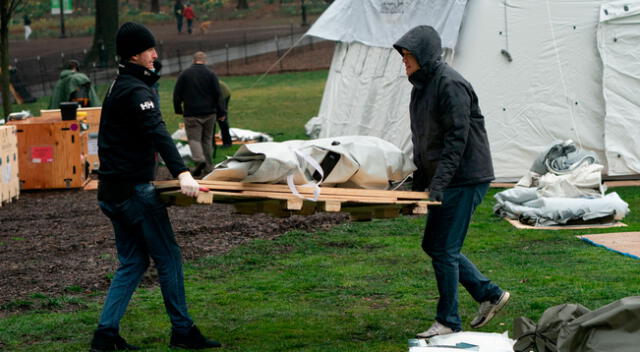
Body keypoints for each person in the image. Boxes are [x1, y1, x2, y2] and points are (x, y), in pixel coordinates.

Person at [90, 22, 221, 351]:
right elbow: (157, 132)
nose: (156, 54)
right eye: (150, 50)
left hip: (111, 192)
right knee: (169, 258)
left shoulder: (122, 83)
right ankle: (183, 331)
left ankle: (105, 335)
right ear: (135, 54)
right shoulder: (135, 90)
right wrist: (182, 173)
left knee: (134, 262)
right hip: (133, 192)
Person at [393, 25, 510, 338]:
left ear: (425, 54)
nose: (404, 61)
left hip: (465, 177)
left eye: (408, 56)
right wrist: (418, 189)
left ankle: (448, 321)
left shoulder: (451, 84)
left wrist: (439, 185)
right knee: (435, 245)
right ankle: (489, 294)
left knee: (444, 249)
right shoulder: (420, 88)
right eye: (403, 56)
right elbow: (423, 143)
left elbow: (457, 140)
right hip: (447, 178)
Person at [173, 51, 226, 177]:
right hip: (210, 113)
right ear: (205, 60)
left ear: (193, 60)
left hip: (191, 113)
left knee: (194, 139)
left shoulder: (185, 74)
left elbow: (177, 94)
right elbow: (218, 94)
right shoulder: (211, 74)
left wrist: (178, 109)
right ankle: (208, 167)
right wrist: (221, 112)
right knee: (207, 140)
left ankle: (199, 160)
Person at [217, 80, 232, 148]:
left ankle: (227, 142)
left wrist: (221, 114)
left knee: (222, 120)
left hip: (224, 95)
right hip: (215, 96)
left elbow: (219, 101)